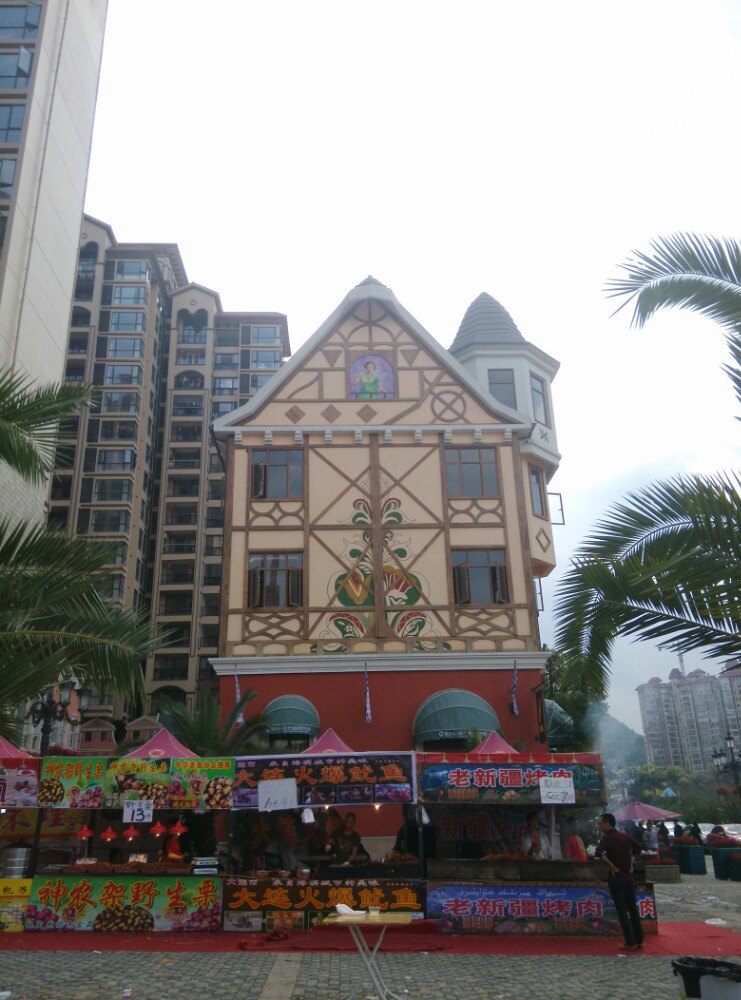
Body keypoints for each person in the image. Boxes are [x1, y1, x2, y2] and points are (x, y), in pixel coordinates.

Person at [594, 812, 644, 951]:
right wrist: (631, 860)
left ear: (607, 823)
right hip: (628, 878)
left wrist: (610, 864)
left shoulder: (607, 838)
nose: (599, 826)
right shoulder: (624, 836)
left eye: (601, 823)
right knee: (633, 910)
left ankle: (630, 942)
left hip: (616, 878)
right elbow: (638, 847)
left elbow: (598, 853)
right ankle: (639, 940)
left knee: (622, 912)